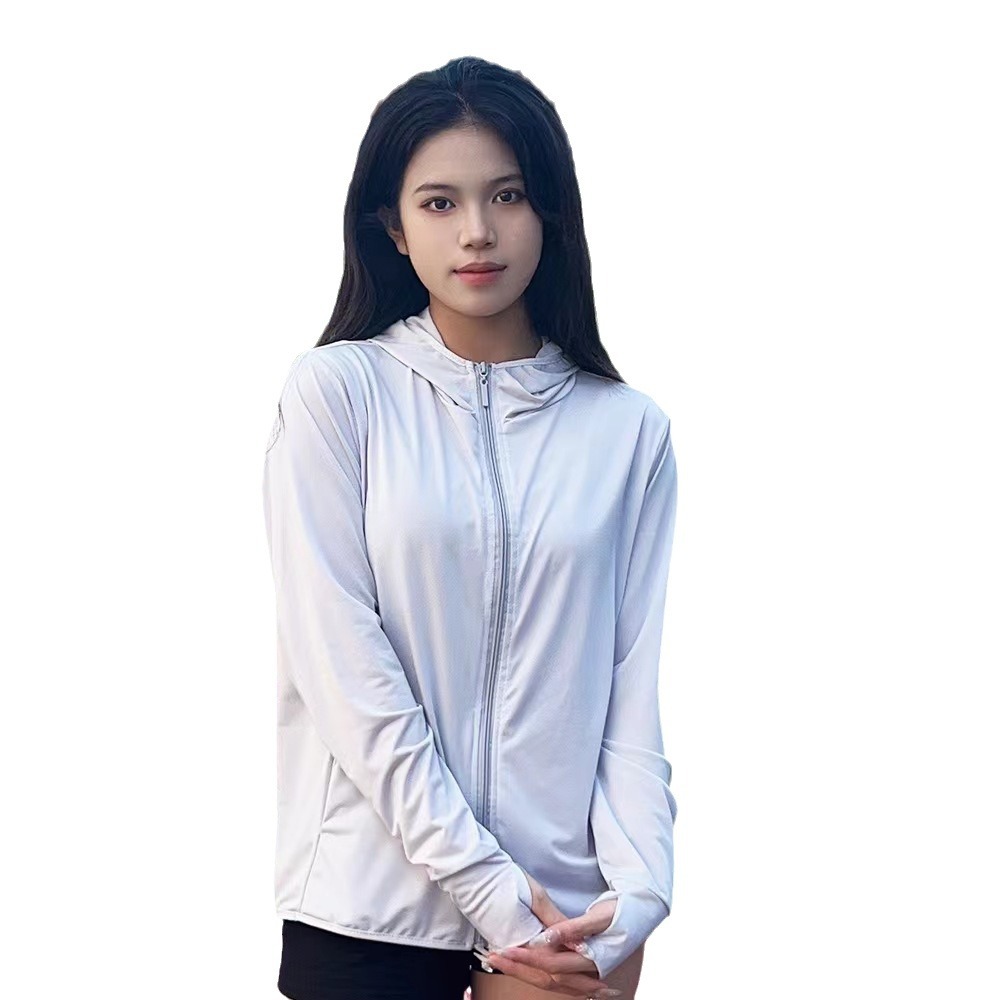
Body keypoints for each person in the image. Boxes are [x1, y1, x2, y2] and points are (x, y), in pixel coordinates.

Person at [261, 55, 680, 1000]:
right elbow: (344, 672)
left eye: (508, 195)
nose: (478, 231)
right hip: (370, 908)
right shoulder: (339, 395)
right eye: (440, 203)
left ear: (550, 213)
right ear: (393, 228)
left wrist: (642, 892)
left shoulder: (629, 431)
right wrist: (488, 887)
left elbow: (629, 692)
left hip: (564, 912)